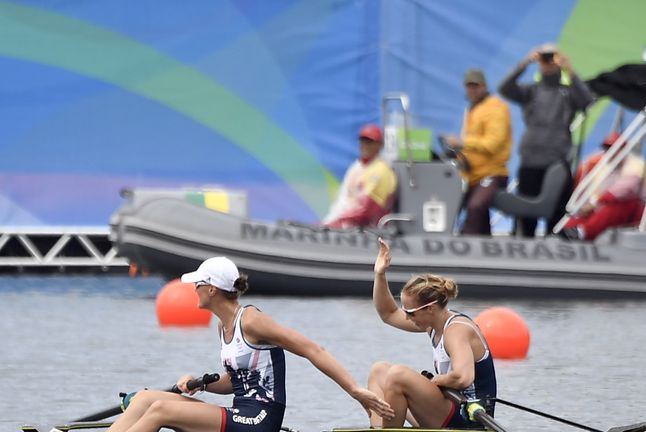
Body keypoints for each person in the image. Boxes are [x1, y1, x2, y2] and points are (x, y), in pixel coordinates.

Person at [108, 256, 394, 432]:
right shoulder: (222, 325)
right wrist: (200, 384)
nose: (192, 288)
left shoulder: (252, 321)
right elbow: (236, 382)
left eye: (197, 283)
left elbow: (312, 349)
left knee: (161, 409)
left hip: (260, 419)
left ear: (211, 289)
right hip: (239, 411)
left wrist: (355, 390)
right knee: (146, 398)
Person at [367, 238, 497, 429]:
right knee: (379, 371)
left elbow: (463, 377)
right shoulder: (432, 324)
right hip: (447, 409)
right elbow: (388, 314)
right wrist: (380, 274)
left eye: (411, 313)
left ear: (431, 308)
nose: (408, 317)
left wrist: (433, 382)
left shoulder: (456, 330)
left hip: (468, 420)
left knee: (398, 375)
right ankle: (378, 428)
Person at [498, 43, 594, 237]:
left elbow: (587, 100)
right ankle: (523, 256)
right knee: (526, 215)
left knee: (557, 217)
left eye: (552, 57)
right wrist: (524, 63)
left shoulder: (567, 92)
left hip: (557, 163)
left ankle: (556, 258)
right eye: (545, 57)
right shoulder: (531, 91)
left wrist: (569, 70)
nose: (549, 61)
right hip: (531, 161)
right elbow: (504, 88)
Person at [440, 68, 512, 235]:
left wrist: (462, 143)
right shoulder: (474, 109)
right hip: (472, 174)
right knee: (461, 207)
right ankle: (484, 249)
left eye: (476, 86)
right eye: (469, 86)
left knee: (476, 206)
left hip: (492, 173)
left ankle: (467, 248)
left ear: (485, 86)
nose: (472, 90)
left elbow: (493, 143)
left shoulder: (495, 108)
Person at [562, 132, 646, 241]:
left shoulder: (636, 165)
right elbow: (593, 196)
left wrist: (595, 202)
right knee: (585, 212)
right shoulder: (604, 168)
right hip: (611, 213)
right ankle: (564, 231)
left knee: (621, 203)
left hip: (642, 217)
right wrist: (587, 206)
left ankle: (584, 232)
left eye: (613, 148)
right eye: (607, 148)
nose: (610, 152)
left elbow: (625, 190)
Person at [323, 124, 397, 229]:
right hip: (341, 226)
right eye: (363, 141)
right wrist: (329, 221)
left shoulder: (381, 171)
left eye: (370, 142)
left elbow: (365, 212)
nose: (365, 145)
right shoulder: (357, 166)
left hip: (364, 233)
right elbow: (343, 200)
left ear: (380, 145)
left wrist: (335, 223)